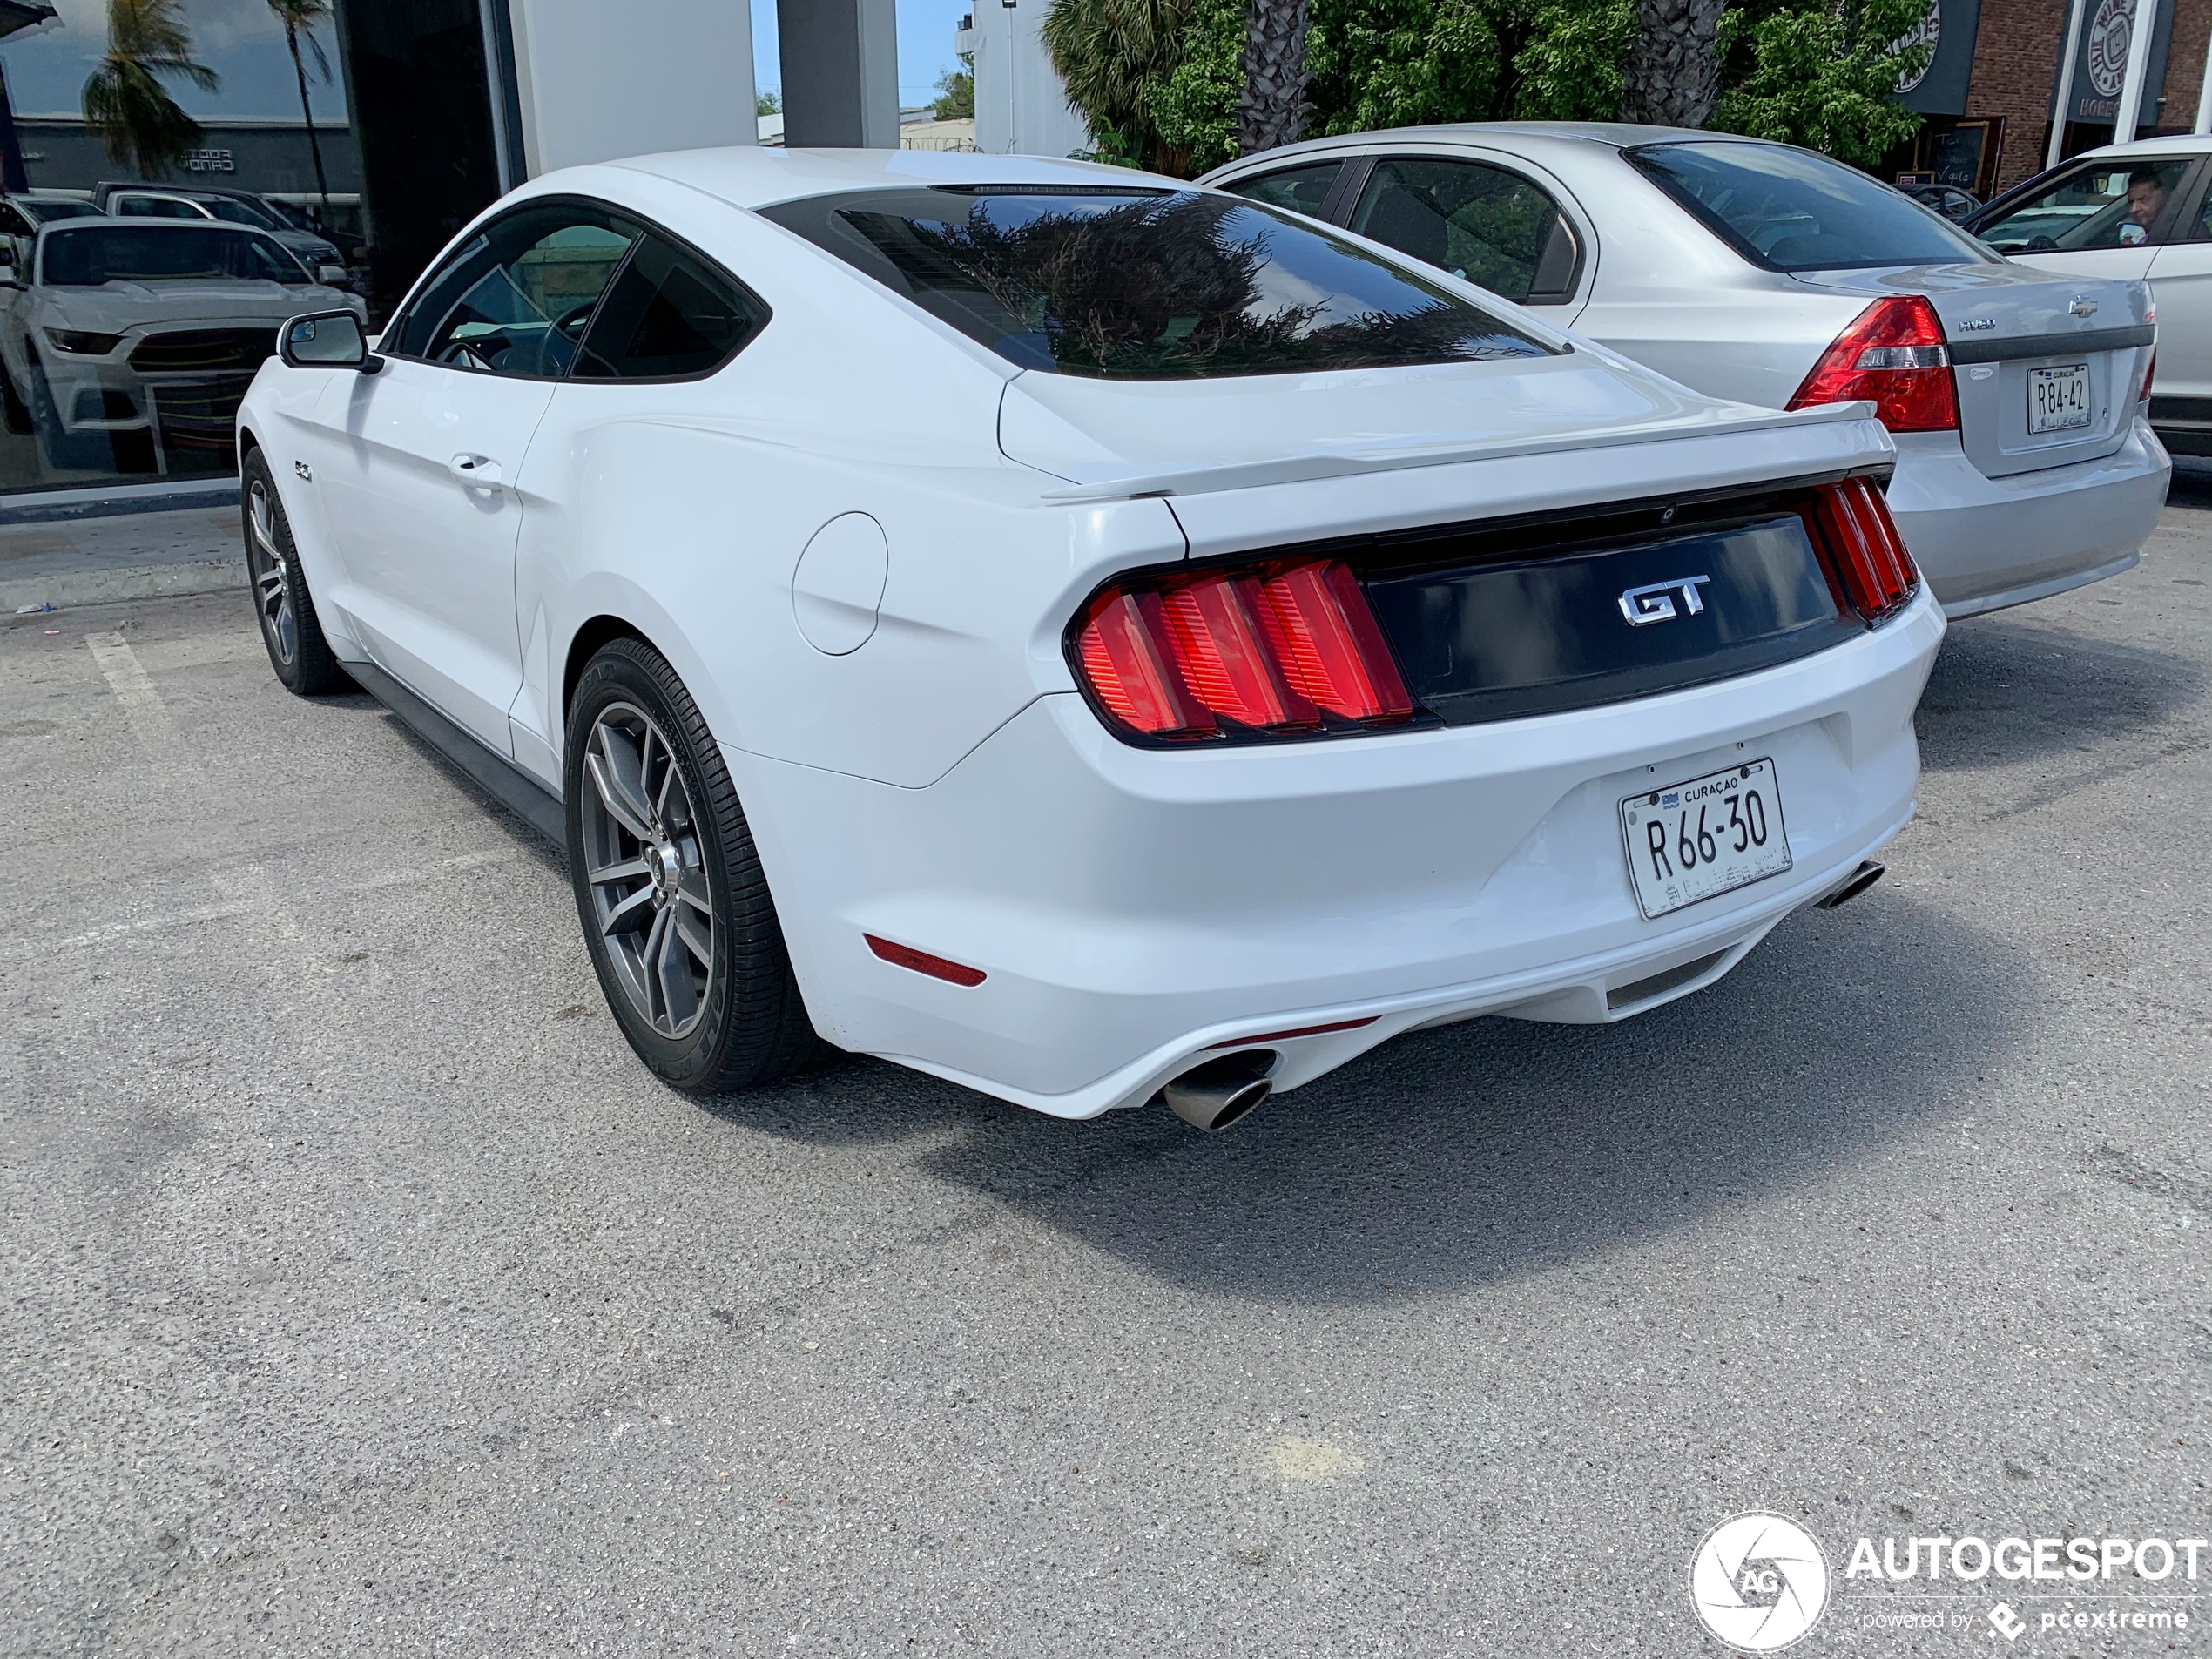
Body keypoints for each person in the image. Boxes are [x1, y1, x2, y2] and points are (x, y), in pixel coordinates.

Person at [2120, 169, 2168, 245]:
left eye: (2143, 200)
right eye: (2131, 202)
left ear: (2163, 197)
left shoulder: (2173, 233)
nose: (2134, 209)